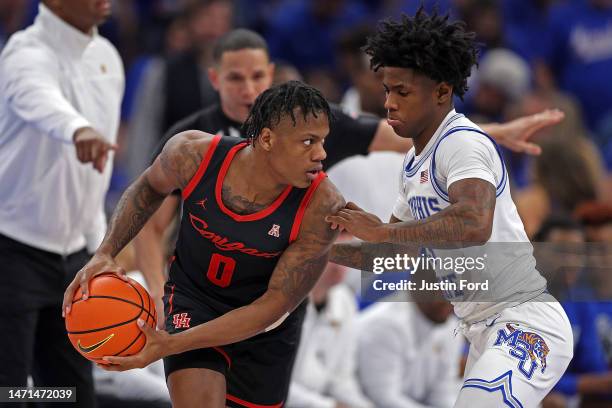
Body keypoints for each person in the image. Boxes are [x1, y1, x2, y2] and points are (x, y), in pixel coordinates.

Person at [133, 28, 567, 326]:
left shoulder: (321, 123)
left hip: (284, 286)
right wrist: (157, 291)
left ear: (271, 74)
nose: (248, 88)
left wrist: (496, 132)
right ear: (214, 80)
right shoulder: (193, 140)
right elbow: (153, 228)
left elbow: (415, 135)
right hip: (201, 286)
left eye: (257, 76)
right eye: (235, 78)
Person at [326, 8, 573, 407]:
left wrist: (384, 231)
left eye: (402, 92)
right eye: (386, 89)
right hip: (480, 328)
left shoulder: (462, 143)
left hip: (525, 320)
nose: (388, 103)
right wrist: (318, 251)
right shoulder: (412, 163)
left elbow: (474, 221)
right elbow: (392, 255)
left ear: (441, 92)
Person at [63, 81, 345, 408]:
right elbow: (147, 189)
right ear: (267, 139)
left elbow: (269, 309)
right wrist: (106, 251)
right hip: (193, 300)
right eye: (308, 142)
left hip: (261, 330)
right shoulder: (193, 155)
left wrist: (169, 345)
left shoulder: (322, 207)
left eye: (322, 141)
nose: (321, 154)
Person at [0, 0, 123, 404]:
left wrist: (98, 246)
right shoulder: (25, 52)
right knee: (11, 392)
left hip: (74, 258)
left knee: (71, 394)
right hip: (13, 250)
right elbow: (37, 97)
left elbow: (98, 171)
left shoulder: (108, 57)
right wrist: (77, 128)